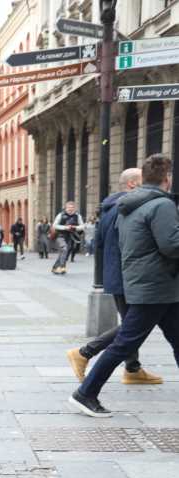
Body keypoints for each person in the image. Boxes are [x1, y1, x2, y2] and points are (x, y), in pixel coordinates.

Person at [69, 154, 179, 417]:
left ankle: (86, 390)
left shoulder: (129, 204)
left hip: (151, 284)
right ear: (167, 178)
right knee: (123, 343)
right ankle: (85, 393)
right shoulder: (161, 205)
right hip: (156, 286)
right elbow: (171, 244)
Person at [51, 201, 85, 274]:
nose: (70, 209)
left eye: (72, 208)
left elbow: (82, 226)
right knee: (64, 248)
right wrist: (65, 227)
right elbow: (54, 225)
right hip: (60, 235)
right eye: (69, 207)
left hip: (70, 236)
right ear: (66, 208)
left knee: (64, 252)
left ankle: (55, 268)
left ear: (75, 208)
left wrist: (75, 227)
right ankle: (62, 267)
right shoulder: (60, 215)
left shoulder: (78, 216)